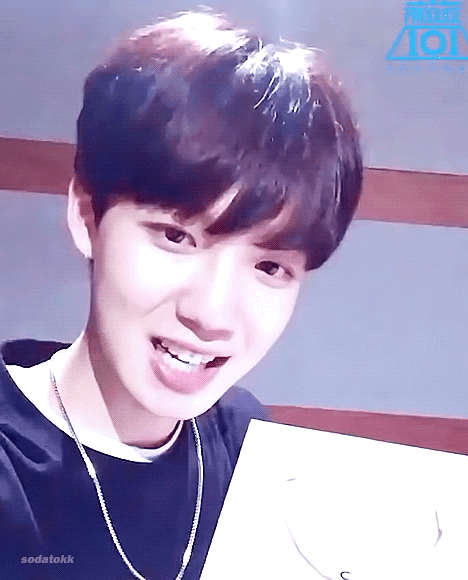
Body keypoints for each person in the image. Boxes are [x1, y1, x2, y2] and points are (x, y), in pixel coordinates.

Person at [0, 10, 362, 580]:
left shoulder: (248, 448)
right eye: (177, 237)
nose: (211, 314)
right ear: (87, 215)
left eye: (270, 266)